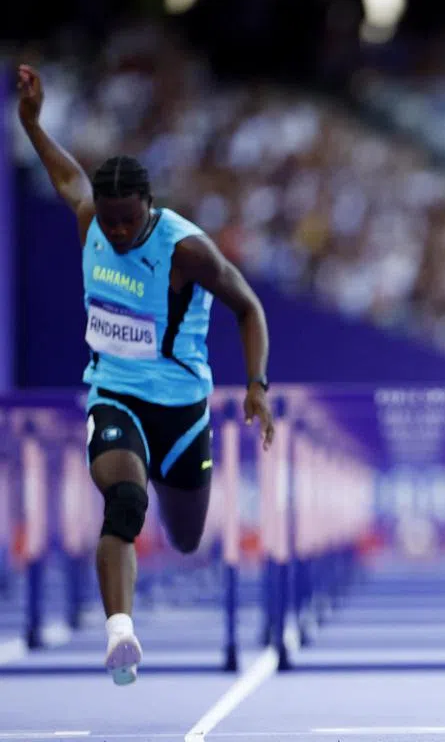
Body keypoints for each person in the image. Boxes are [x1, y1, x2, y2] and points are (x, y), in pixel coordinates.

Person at [16, 65, 275, 685]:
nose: (118, 232)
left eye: (129, 220)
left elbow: (248, 307)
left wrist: (257, 386)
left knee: (186, 539)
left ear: (148, 207)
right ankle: (120, 634)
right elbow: (67, 175)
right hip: (115, 396)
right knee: (126, 501)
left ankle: (166, 490)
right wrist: (30, 122)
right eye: (109, 221)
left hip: (183, 413)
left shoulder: (187, 251)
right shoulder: (91, 223)